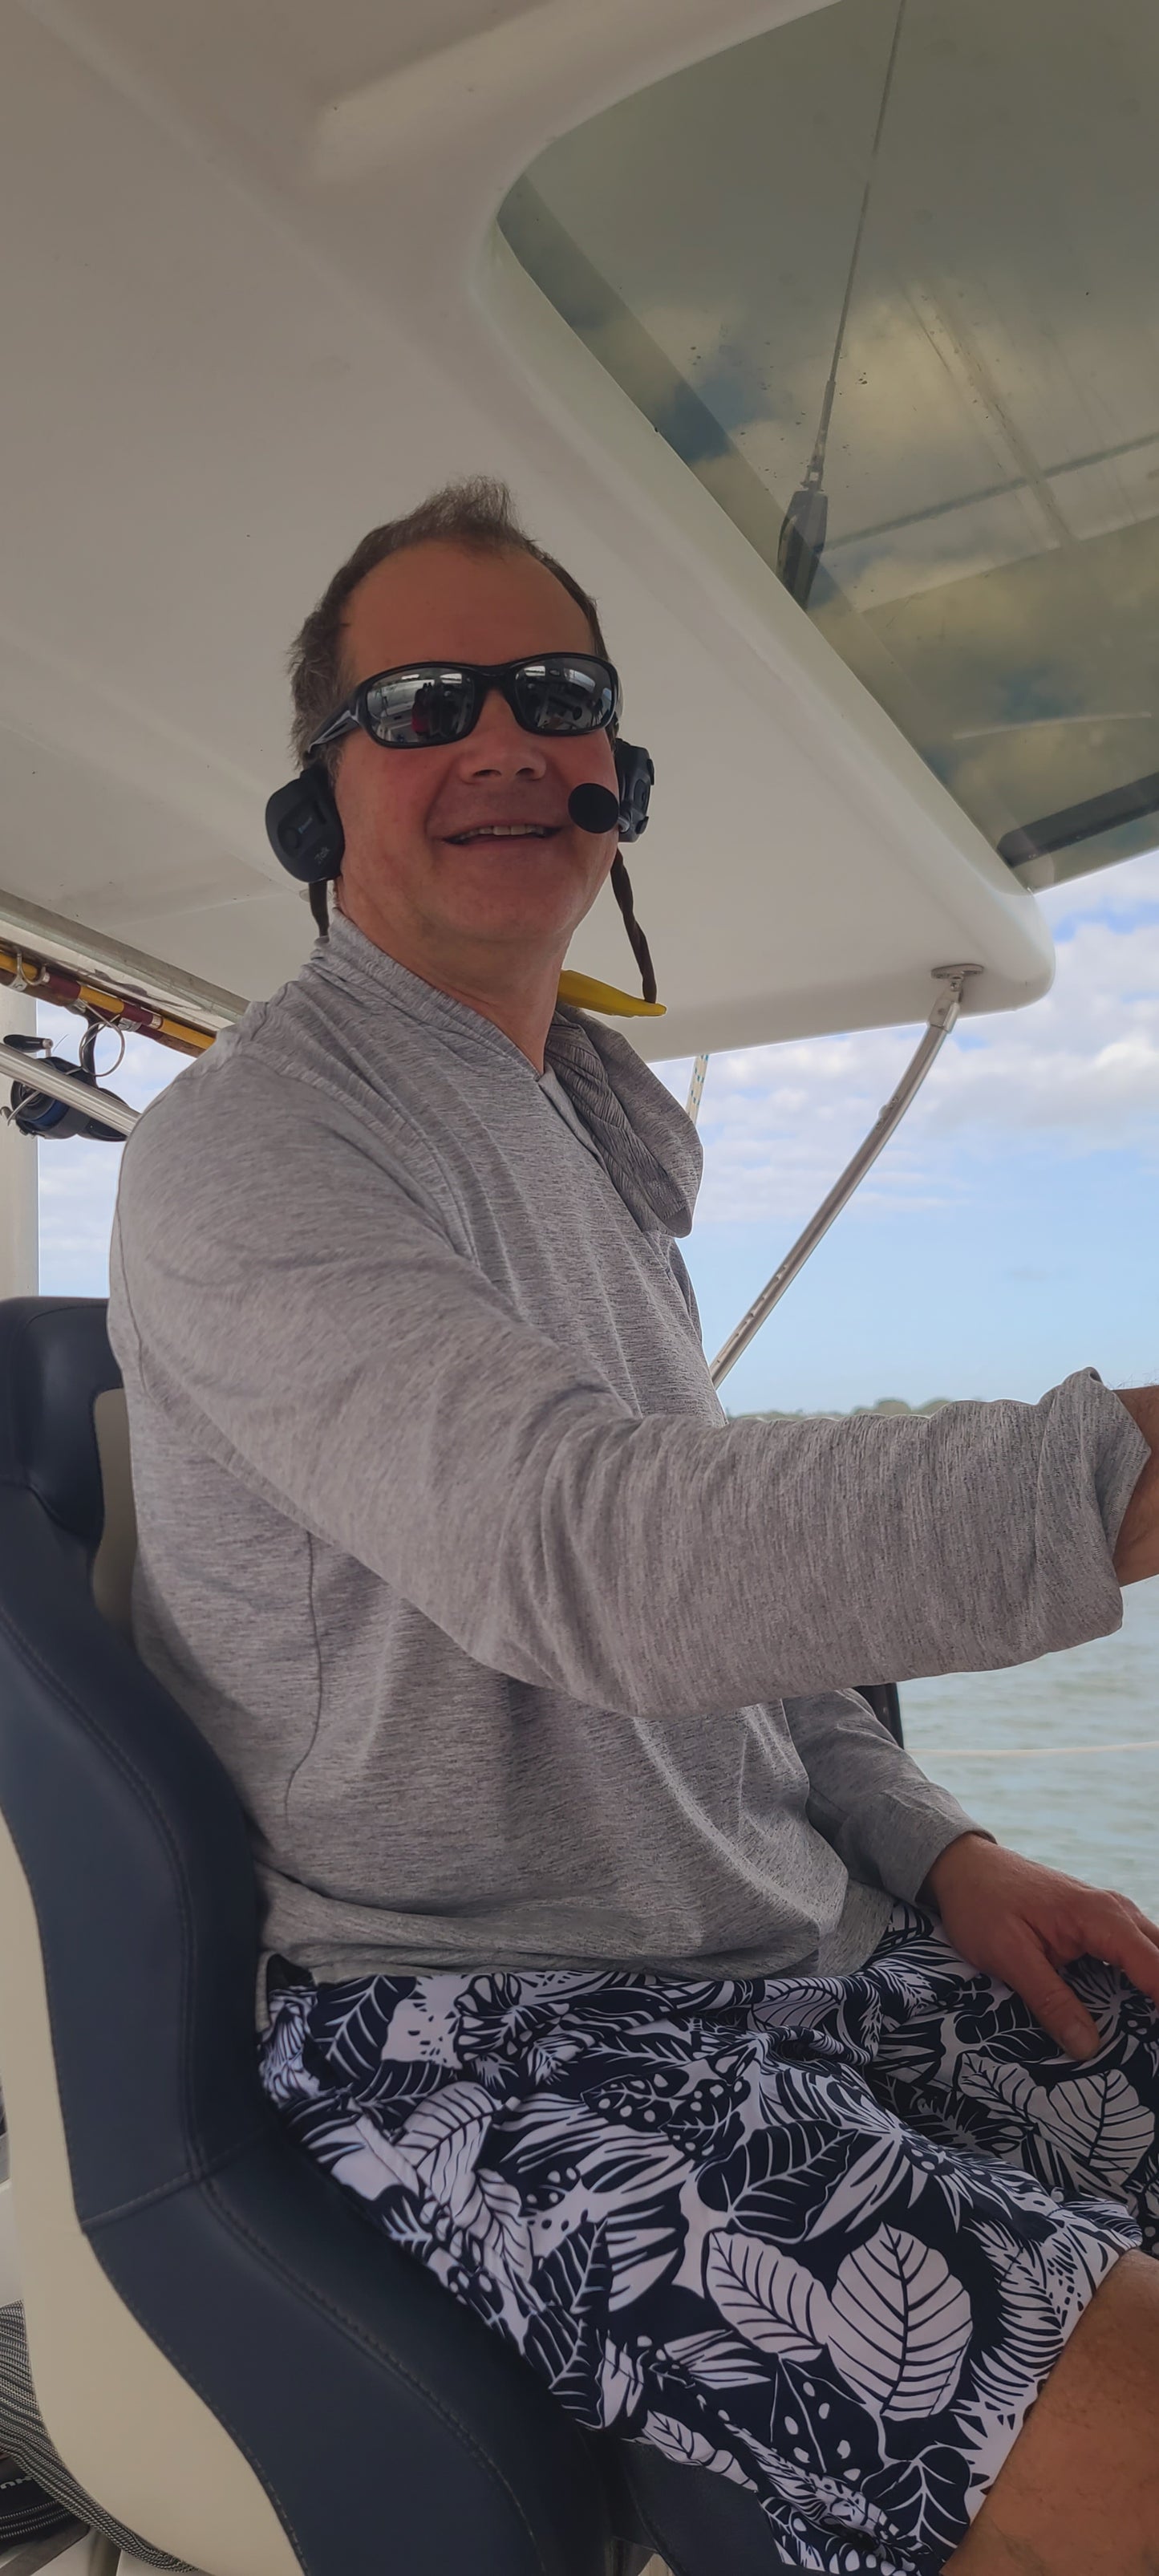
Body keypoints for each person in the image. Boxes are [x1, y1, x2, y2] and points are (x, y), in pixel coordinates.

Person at [109, 477, 1159, 2576]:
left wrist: (940, 1844)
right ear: (320, 800)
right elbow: (603, 1558)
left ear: (617, 768)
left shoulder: (594, 1144)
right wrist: (1116, 1476)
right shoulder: (253, 1149)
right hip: (481, 2020)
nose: (500, 737)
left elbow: (740, 1639)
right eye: (418, 702)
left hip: (805, 1951)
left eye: (552, 690)